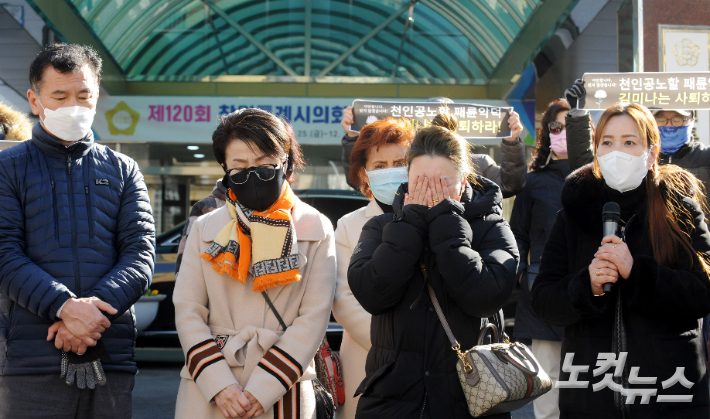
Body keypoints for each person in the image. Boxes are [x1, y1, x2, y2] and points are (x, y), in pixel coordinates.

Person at [0, 43, 156, 419]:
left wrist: (89, 316)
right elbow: (4, 252)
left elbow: (140, 254)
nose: (74, 105)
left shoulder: (123, 170)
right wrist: (65, 307)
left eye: (84, 95)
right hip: (30, 360)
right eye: (60, 95)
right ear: (35, 100)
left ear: (97, 97)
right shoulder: (7, 167)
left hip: (110, 353)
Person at [531, 103, 710, 418]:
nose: (618, 152)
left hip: (668, 396)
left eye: (630, 142)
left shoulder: (678, 212)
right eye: (608, 142)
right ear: (597, 151)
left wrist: (638, 273)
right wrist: (587, 286)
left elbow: (703, 292)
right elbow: (544, 300)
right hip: (591, 397)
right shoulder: (572, 215)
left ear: (651, 152)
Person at [348, 114, 519, 418]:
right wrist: (410, 223)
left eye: (442, 184)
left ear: (463, 181)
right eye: (419, 182)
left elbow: (486, 296)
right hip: (393, 399)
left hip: (470, 399)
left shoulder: (491, 227)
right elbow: (370, 292)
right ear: (407, 180)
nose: (429, 191)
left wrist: (447, 223)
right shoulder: (381, 226)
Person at [173, 108, 336, 419]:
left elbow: (314, 317)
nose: (253, 175)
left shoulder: (316, 228)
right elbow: (188, 309)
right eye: (240, 167)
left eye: (265, 164)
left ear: (285, 161)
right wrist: (220, 385)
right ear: (224, 168)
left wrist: (263, 389)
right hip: (209, 389)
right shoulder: (205, 228)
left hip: (283, 385)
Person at [333, 117, 415, 419]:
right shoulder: (348, 225)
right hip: (365, 360)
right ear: (364, 174)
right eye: (380, 166)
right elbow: (343, 298)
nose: (391, 171)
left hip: (428, 362)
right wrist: (394, 342)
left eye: (400, 162)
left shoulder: (437, 217)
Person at [510, 99, 574, 419]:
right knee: (548, 390)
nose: (562, 133)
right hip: (542, 297)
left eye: (570, 127)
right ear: (547, 133)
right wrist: (522, 275)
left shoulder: (600, 180)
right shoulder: (533, 181)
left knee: (586, 387)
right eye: (556, 127)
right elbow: (517, 234)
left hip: (588, 294)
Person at [340, 97, 527, 197]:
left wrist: (512, 143)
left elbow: (510, 185)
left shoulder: (477, 164)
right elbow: (359, 179)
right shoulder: (407, 165)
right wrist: (353, 139)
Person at [565, 80, 710, 192]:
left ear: (691, 121)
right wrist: (578, 115)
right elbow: (586, 164)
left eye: (678, 119)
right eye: (661, 119)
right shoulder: (637, 156)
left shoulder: (704, 158)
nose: (669, 126)